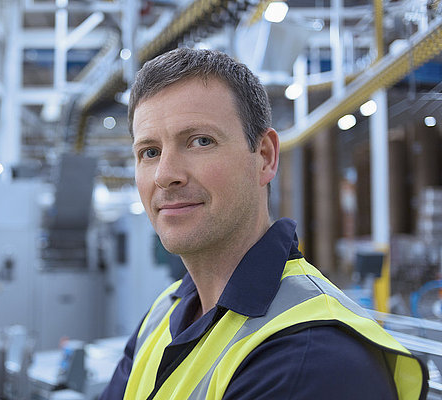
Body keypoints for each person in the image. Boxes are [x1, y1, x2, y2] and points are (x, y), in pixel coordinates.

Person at [100, 48, 427, 399]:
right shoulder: (164, 313)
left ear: (265, 157)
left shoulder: (309, 357)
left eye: (200, 141)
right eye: (149, 152)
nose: (165, 175)